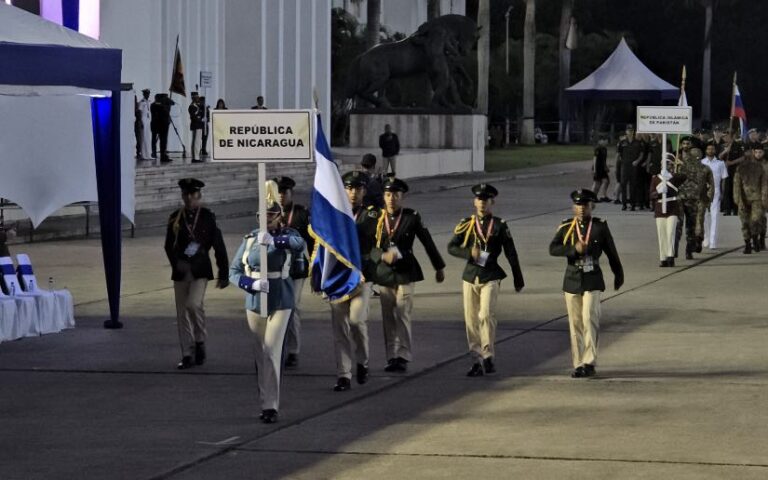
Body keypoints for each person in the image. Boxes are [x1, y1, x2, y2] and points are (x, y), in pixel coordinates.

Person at [229, 181, 306, 423]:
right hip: (255, 297)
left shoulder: (288, 235)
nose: (267, 220)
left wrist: (275, 242)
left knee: (272, 349)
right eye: (263, 216)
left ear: (278, 217)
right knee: (260, 352)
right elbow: (233, 270)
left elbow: (299, 245)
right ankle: (264, 400)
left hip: (281, 298)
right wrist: (249, 284)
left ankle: (271, 405)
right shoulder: (250, 239)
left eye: (271, 216)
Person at [448, 184, 524, 377]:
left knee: (485, 315)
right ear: (475, 202)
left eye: (486, 200)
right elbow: (452, 247)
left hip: (491, 275)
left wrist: (518, 277)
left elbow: (511, 252)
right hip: (470, 275)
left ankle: (488, 354)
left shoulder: (499, 225)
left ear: (492, 202)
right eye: (479, 199)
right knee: (471, 320)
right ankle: (476, 359)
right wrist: (469, 253)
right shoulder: (466, 224)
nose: (482, 203)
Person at [371, 177, 445, 372]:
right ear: (383, 197)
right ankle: (391, 356)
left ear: (402, 196)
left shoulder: (411, 217)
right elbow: (367, 246)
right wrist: (381, 255)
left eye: (395, 195)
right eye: (388, 195)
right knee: (388, 316)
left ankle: (403, 355)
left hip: (406, 271)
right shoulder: (377, 218)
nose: (391, 199)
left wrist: (438, 267)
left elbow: (427, 241)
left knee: (403, 313)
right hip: (385, 273)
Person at [549, 189, 624, 378]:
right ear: (573, 206)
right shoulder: (566, 227)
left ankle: (589, 361)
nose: (581, 208)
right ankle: (578, 362)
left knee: (589, 318)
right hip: (572, 279)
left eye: (585, 204)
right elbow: (553, 248)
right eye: (578, 204)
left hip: (593, 279)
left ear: (592, 206)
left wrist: (618, 274)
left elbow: (611, 251)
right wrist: (573, 249)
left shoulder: (600, 227)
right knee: (575, 324)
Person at [164, 178, 230, 370]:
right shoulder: (175, 217)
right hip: (181, 270)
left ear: (199, 196)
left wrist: (223, 272)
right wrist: (177, 264)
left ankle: (200, 339)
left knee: (193, 305)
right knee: (181, 313)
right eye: (186, 195)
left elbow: (218, 245)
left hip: (200, 269)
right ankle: (187, 353)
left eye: (193, 195)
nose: (189, 199)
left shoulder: (208, 217)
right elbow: (168, 245)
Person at [330, 171, 380, 392]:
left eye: (357, 189)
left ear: (364, 192)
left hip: (362, 276)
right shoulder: (335, 214)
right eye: (349, 189)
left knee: (356, 322)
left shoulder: (371, 215)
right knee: (339, 328)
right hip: (337, 277)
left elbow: (373, 239)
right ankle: (343, 374)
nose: (352, 193)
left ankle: (362, 361)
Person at [273, 176, 313, 368]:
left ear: (291, 193)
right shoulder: (269, 212)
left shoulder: (301, 213)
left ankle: (293, 350)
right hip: (276, 266)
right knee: (277, 306)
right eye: (278, 192)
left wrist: (314, 264)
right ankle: (278, 346)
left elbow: (313, 241)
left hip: (296, 267)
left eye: (284, 192)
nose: (281, 196)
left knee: (293, 306)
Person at [676, 138, 714, 259]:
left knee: (681, 225)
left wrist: (708, 198)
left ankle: (679, 249)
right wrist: (709, 199)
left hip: (686, 199)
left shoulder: (682, 166)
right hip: (687, 199)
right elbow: (712, 186)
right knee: (690, 226)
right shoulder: (682, 166)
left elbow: (711, 186)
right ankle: (688, 249)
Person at [733, 144, 768, 254]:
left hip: (758, 198)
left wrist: (764, 197)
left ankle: (757, 239)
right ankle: (748, 243)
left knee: (757, 220)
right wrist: (737, 199)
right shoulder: (740, 168)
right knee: (744, 222)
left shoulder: (762, 167)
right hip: (743, 199)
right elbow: (736, 184)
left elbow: (764, 184)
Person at [650, 163, 687, 267]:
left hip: (672, 208)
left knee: (671, 233)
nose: (666, 167)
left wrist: (676, 171)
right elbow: (651, 194)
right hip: (660, 208)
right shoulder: (656, 178)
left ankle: (670, 257)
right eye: (664, 165)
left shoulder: (674, 178)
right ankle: (663, 258)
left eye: (669, 165)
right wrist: (658, 192)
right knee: (661, 234)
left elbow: (684, 177)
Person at [700, 142, 728, 249]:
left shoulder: (720, 163)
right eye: (708, 149)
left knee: (715, 216)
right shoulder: (702, 162)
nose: (710, 151)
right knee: (704, 216)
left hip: (716, 191)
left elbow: (724, 179)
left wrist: (722, 192)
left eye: (712, 149)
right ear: (706, 150)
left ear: (715, 151)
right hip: (704, 191)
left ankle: (713, 242)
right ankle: (706, 238)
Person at [616, 124, 645, 211]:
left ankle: (632, 204)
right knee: (623, 185)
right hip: (625, 166)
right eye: (628, 130)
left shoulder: (638, 142)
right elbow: (619, 154)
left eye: (632, 131)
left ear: (634, 132)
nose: (630, 132)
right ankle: (624, 204)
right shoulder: (622, 142)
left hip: (634, 167)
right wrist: (622, 162)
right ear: (626, 131)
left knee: (633, 186)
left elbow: (641, 154)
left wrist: (637, 161)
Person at [720, 130, 745, 216]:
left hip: (735, 171)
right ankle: (727, 209)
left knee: (735, 190)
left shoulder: (738, 145)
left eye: (727, 136)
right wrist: (725, 151)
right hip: (725, 172)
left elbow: (742, 158)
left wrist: (732, 162)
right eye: (724, 136)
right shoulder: (723, 146)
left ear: (732, 137)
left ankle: (735, 209)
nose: (725, 138)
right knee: (726, 190)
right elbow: (719, 157)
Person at [151, 93, 173, 163]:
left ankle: (163, 155)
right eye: (164, 98)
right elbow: (162, 109)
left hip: (164, 125)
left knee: (164, 141)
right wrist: (164, 103)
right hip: (157, 125)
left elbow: (173, 103)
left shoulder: (164, 104)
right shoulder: (154, 105)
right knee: (155, 140)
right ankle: (154, 153)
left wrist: (167, 101)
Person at [591, 137, 611, 202]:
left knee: (606, 181)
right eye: (605, 141)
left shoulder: (605, 149)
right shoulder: (598, 148)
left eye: (607, 141)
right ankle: (592, 197)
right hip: (597, 168)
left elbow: (604, 160)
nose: (606, 142)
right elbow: (595, 159)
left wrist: (606, 166)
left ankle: (603, 196)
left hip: (603, 168)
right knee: (597, 183)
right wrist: (594, 170)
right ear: (600, 141)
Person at [188, 93, 205, 162]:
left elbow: (202, 114)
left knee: (196, 141)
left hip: (198, 125)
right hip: (196, 125)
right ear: (193, 98)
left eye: (198, 97)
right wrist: (200, 119)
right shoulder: (192, 106)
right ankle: (196, 158)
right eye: (196, 97)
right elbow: (194, 117)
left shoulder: (199, 106)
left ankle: (195, 157)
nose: (198, 99)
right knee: (196, 142)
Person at [137, 89, 152, 161]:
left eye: (148, 94)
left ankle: (148, 154)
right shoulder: (141, 102)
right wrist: (141, 122)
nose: (148, 95)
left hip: (148, 120)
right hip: (143, 120)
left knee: (148, 137)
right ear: (144, 94)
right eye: (146, 94)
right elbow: (139, 112)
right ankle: (144, 155)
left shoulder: (149, 101)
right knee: (144, 138)